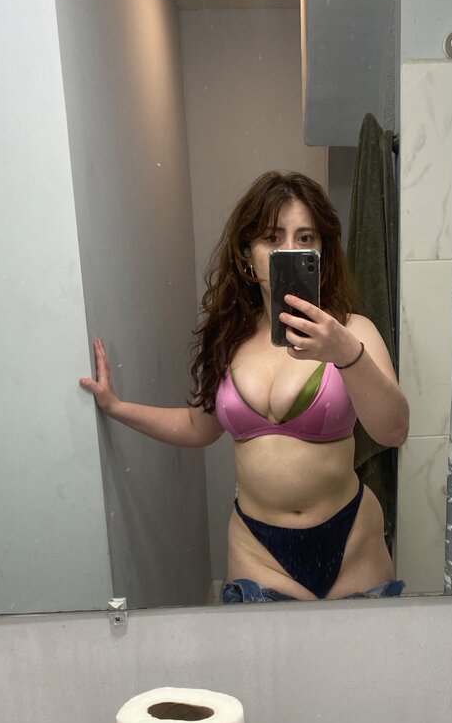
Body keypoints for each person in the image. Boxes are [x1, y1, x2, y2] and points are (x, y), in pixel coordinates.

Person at [79, 171, 409, 602]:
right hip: (259, 551)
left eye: (305, 238)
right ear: (247, 254)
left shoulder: (353, 331)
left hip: (353, 542)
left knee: (361, 649)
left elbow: (393, 431)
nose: (289, 250)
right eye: (272, 237)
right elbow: (198, 427)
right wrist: (117, 407)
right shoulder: (227, 339)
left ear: (322, 250)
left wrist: (347, 354)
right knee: (265, 650)